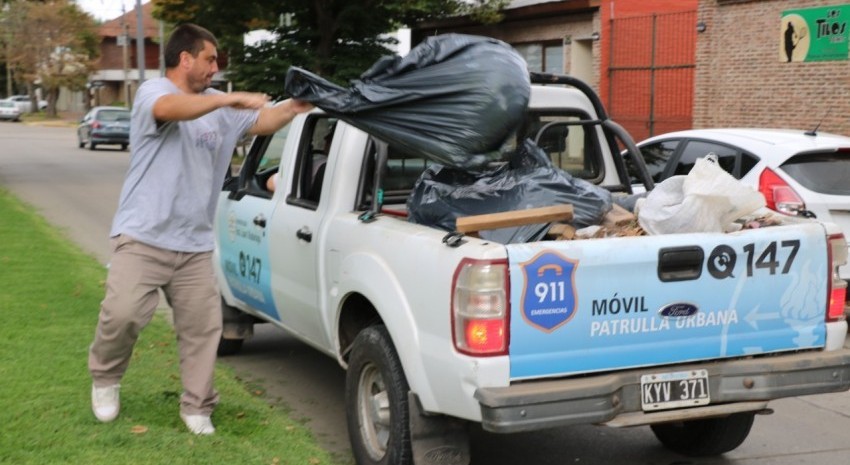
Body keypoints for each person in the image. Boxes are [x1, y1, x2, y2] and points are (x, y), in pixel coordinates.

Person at [87, 23, 313, 435]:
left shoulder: (217, 104)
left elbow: (261, 121)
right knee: (122, 315)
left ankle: (197, 406)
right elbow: (171, 110)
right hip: (143, 236)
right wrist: (229, 98)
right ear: (185, 59)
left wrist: (293, 109)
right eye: (210, 59)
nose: (215, 66)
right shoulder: (152, 94)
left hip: (192, 244)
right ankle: (105, 378)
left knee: (203, 328)